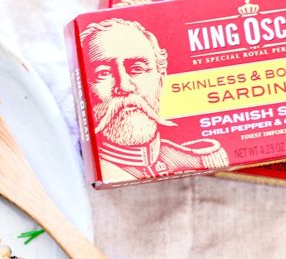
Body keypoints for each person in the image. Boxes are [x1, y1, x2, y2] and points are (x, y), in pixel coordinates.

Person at [80, 18, 228, 183]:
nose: (125, 86)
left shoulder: (196, 158)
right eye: (103, 73)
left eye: (137, 69)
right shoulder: (98, 169)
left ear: (161, 79)